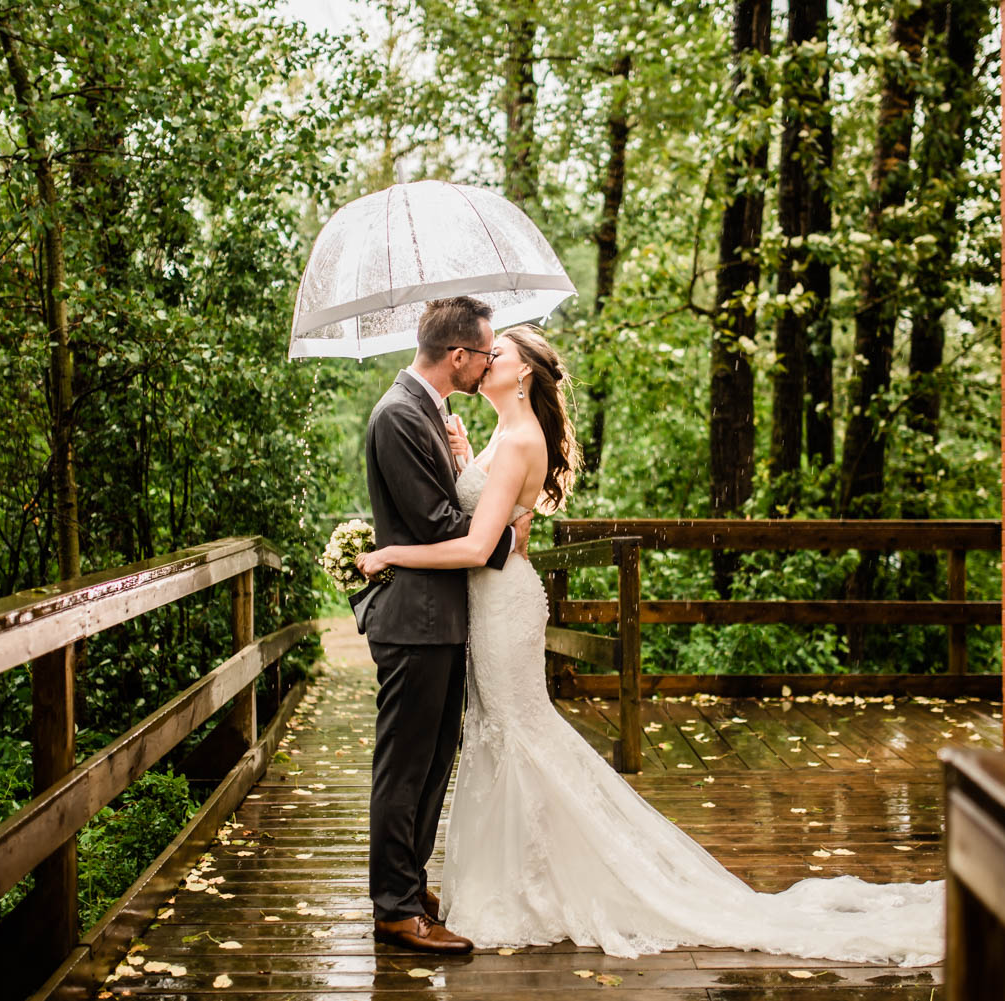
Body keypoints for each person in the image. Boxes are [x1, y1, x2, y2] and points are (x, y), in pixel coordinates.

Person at [357, 323, 944, 965]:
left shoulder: (521, 434)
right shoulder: (499, 431)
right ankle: (477, 885)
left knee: (519, 735)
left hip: (499, 601)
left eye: (499, 354)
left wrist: (388, 552)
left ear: (522, 372)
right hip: (487, 600)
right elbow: (487, 512)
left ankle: (531, 884)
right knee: (506, 737)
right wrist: (468, 459)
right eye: (485, 352)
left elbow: (478, 542)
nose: (487, 361)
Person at [358, 296, 533, 955]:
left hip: (442, 618)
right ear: (458, 356)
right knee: (404, 767)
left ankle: (408, 879)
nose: (489, 362)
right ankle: (395, 907)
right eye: (485, 353)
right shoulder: (398, 414)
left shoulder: (431, 411)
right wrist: (498, 533)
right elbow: (434, 522)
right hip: (416, 621)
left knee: (433, 763)